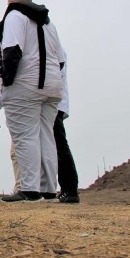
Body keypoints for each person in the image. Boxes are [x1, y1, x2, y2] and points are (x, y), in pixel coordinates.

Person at [0, 0, 66, 203]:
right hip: (52, 85)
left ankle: (30, 188)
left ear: (11, 2)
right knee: (46, 136)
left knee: (25, 136)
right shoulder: (48, 24)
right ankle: (49, 188)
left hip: (26, 84)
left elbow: (12, 50)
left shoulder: (15, 15)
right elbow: (60, 59)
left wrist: (7, 81)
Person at [54, 62, 80, 203]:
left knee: (60, 147)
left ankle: (71, 190)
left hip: (55, 105)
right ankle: (66, 189)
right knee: (57, 148)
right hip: (55, 104)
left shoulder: (56, 49)